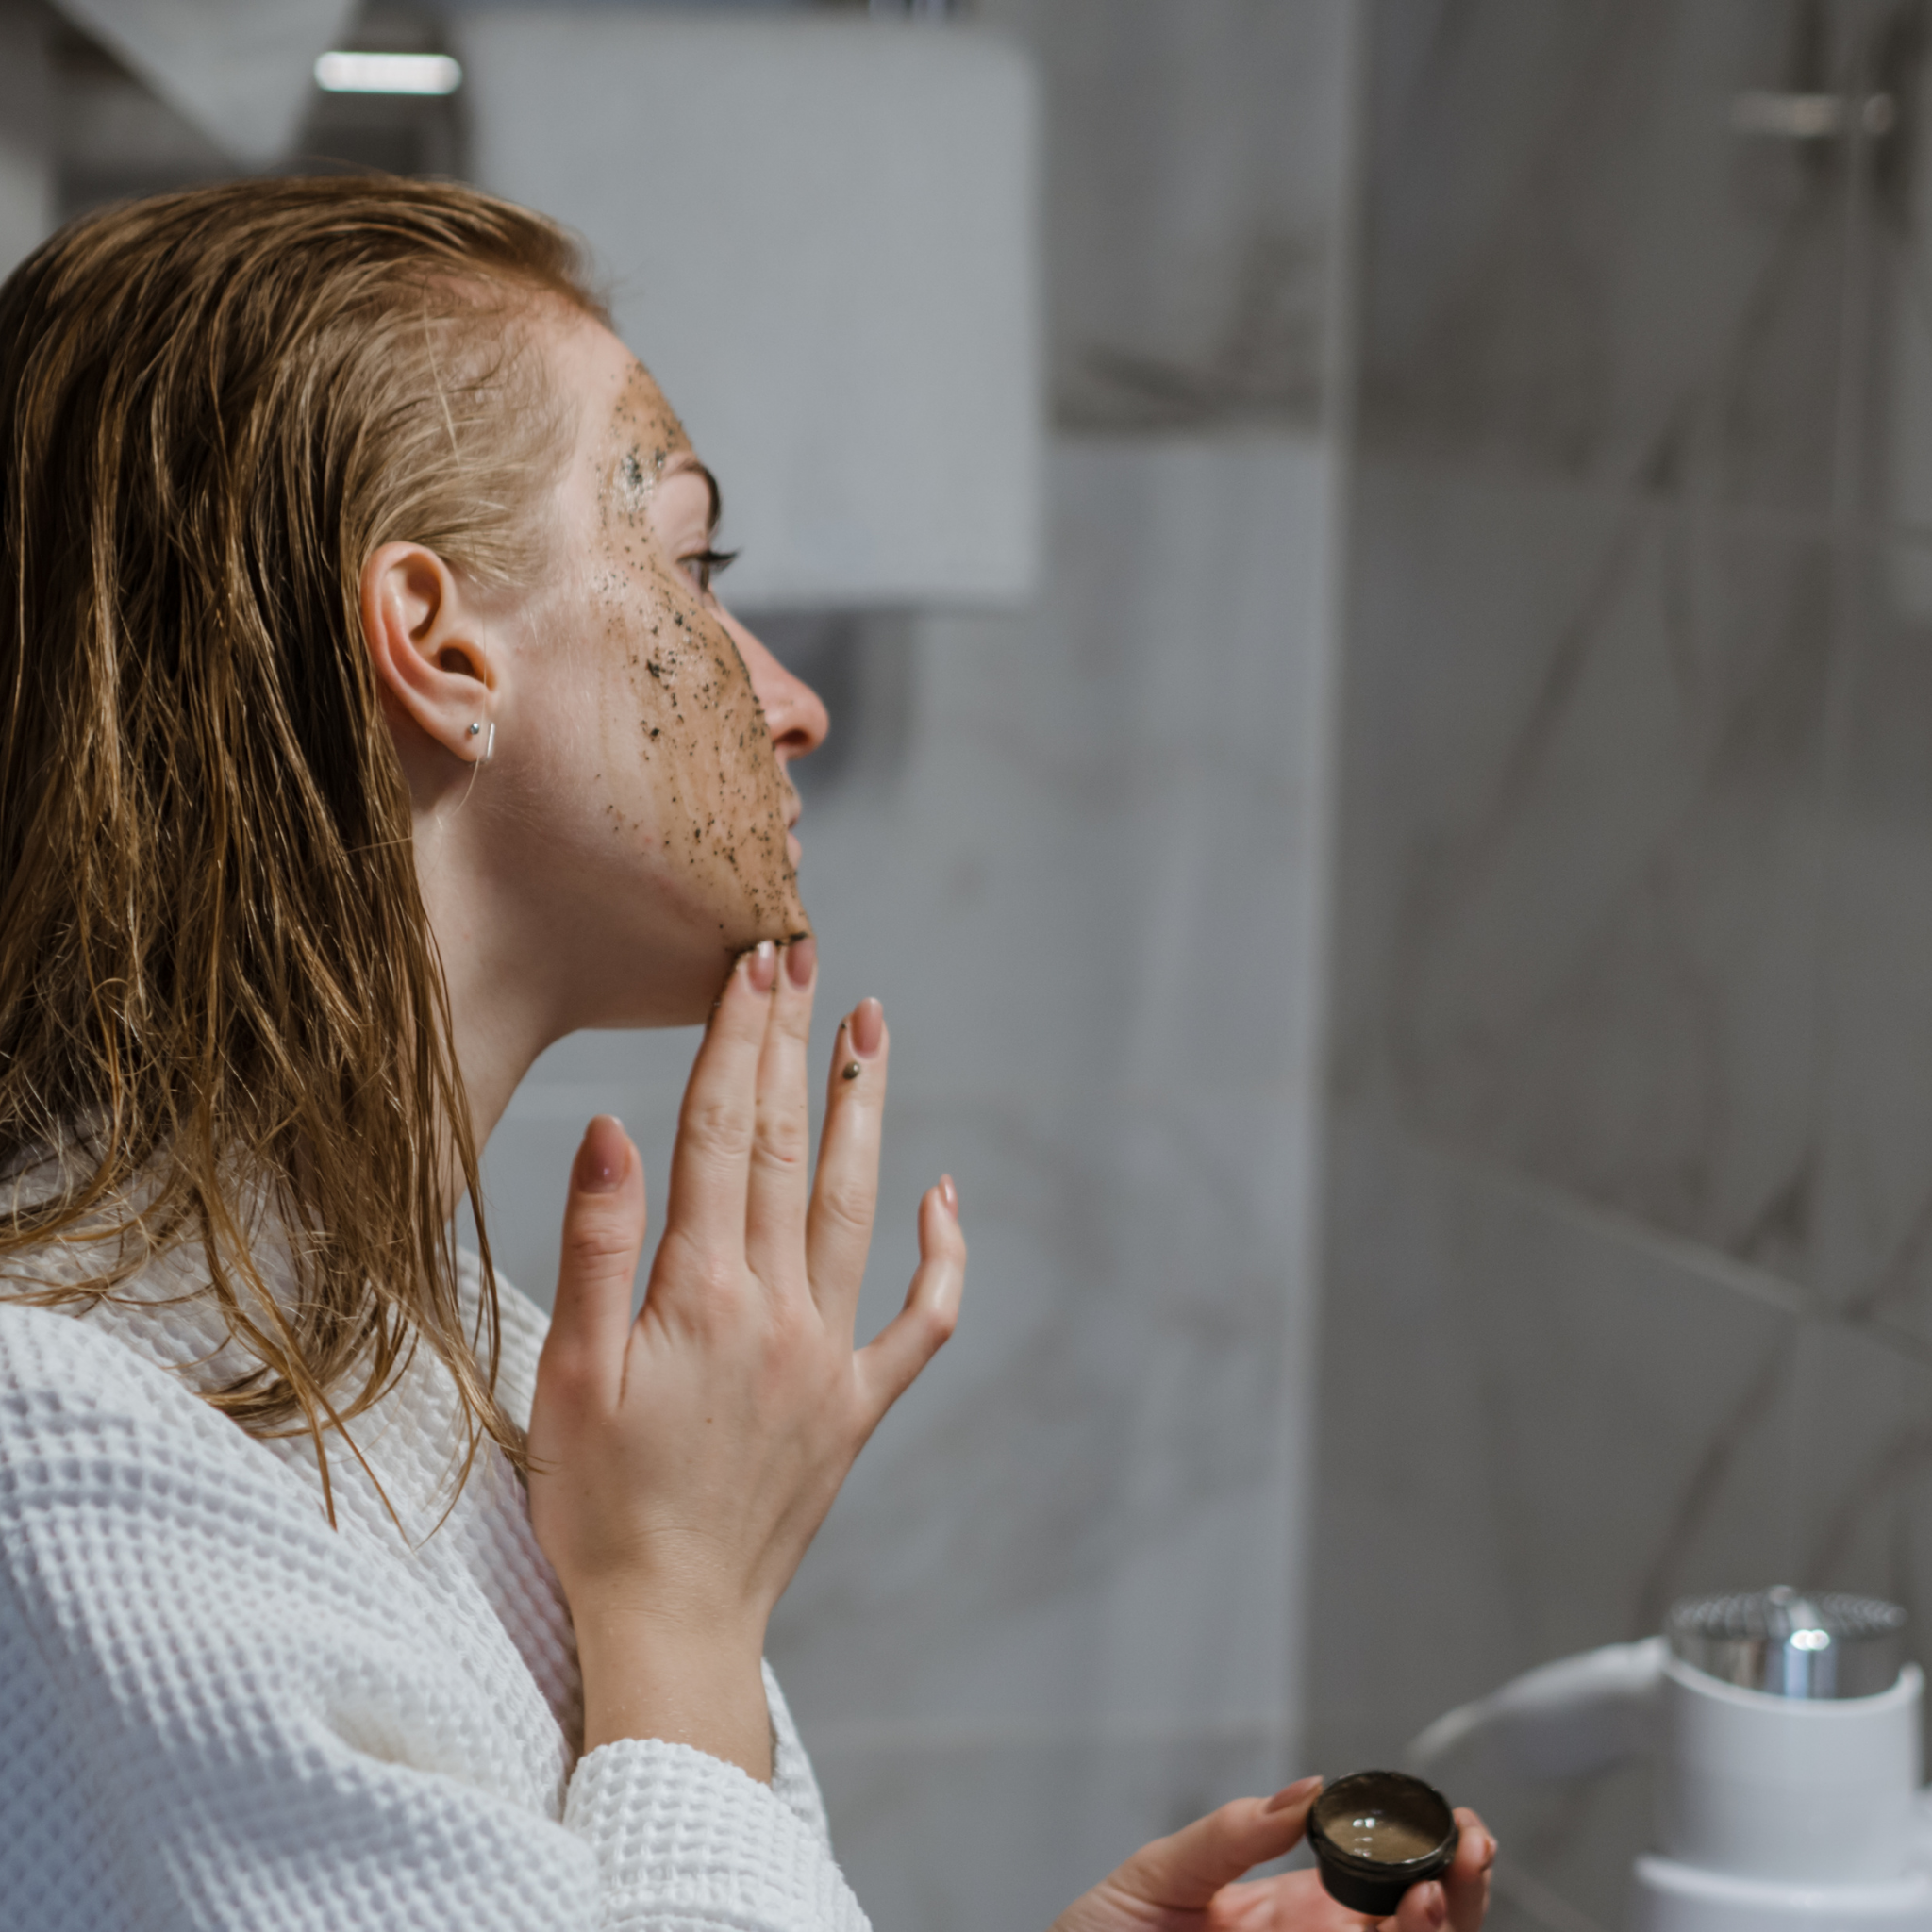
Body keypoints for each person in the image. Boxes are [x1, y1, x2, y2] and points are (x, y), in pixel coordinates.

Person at [0, 176, 1493, 1932]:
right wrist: (684, 1607)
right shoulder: (69, 1449)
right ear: (433, 643)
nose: (789, 698)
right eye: (696, 564)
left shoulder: (447, 1365)